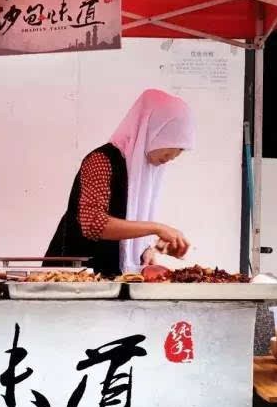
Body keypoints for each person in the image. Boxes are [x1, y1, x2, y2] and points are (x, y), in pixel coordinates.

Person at [44, 88, 195, 276]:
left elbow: (126, 224)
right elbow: (92, 223)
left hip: (106, 280)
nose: (173, 156)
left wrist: (146, 250)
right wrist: (157, 228)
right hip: (71, 278)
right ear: (152, 130)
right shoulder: (101, 161)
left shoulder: (144, 172)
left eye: (181, 149)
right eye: (172, 143)